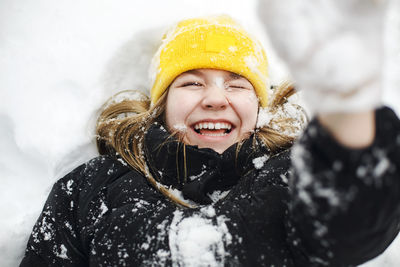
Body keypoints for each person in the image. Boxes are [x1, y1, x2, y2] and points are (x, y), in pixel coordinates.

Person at [20, 15, 400, 267]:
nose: (216, 98)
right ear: (162, 105)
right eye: (191, 83)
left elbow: (351, 223)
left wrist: (352, 132)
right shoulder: (93, 186)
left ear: (260, 107)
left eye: (237, 85)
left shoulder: (293, 174)